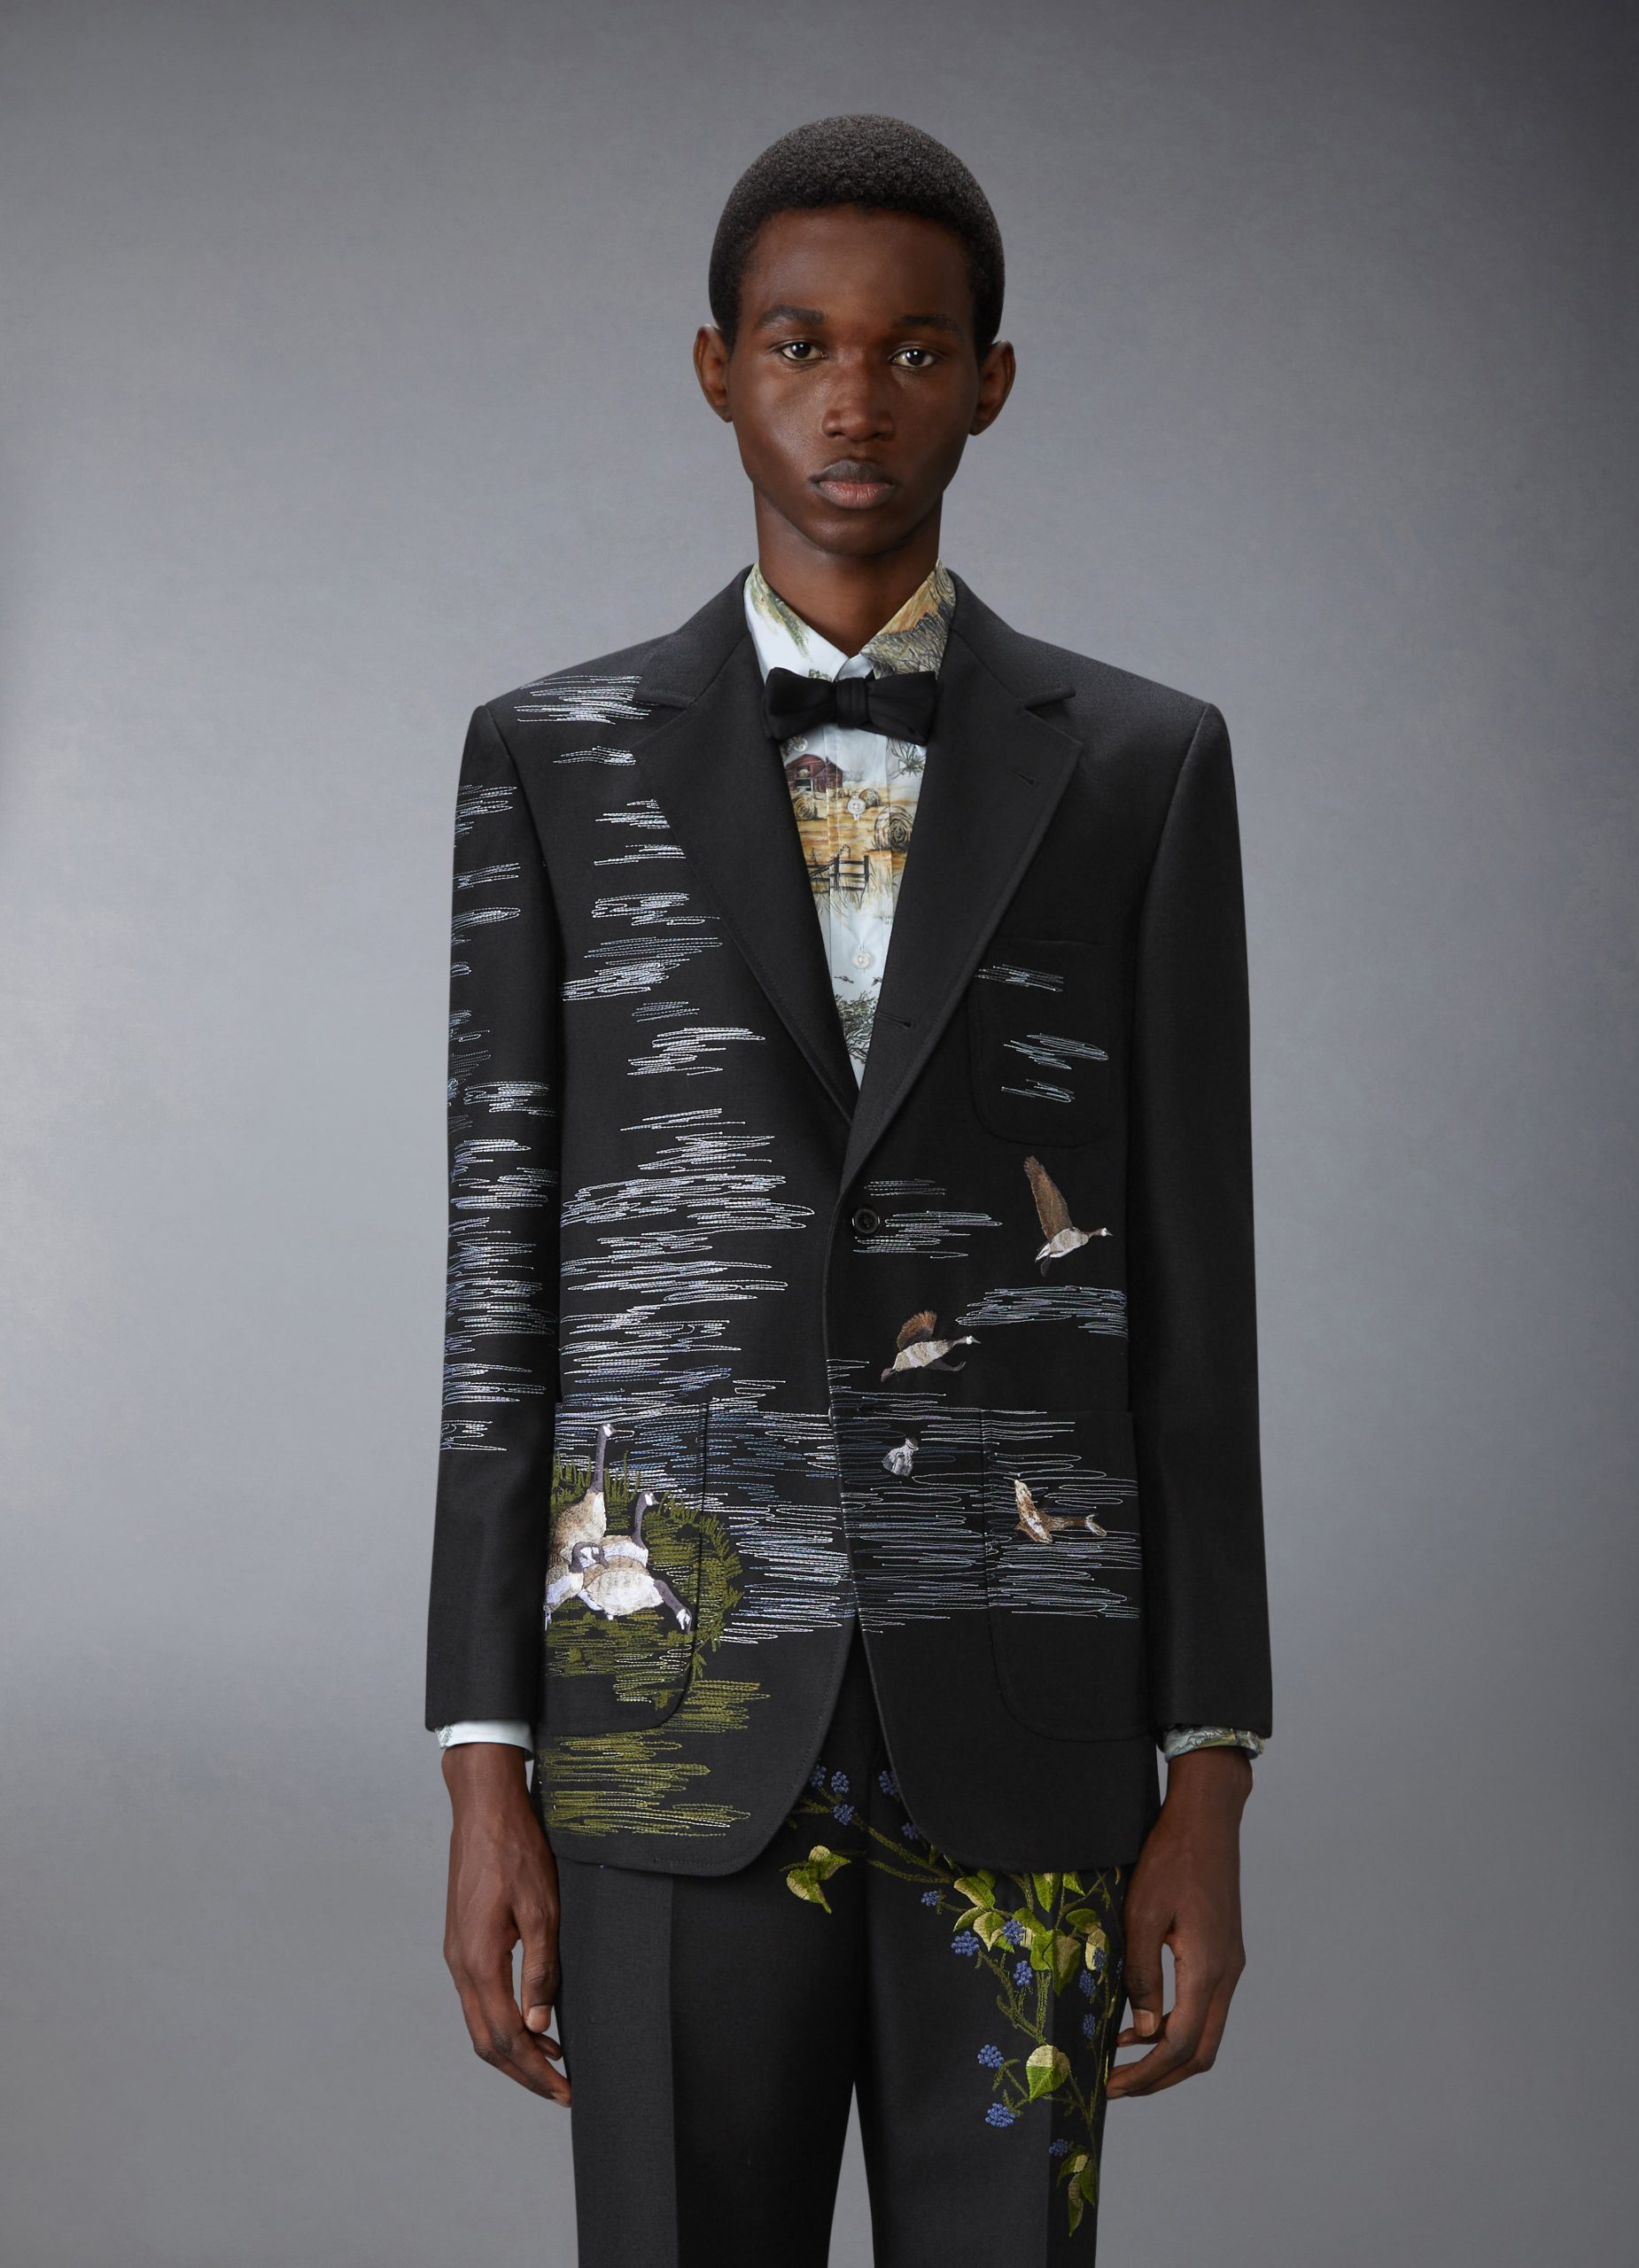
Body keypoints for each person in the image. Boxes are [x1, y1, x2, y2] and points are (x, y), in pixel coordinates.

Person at [424, 113, 1271, 2268]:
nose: (854, 398)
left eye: (914, 351)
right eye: (801, 344)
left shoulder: (1143, 767)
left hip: (1033, 1717)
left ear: (992, 381)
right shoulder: (551, 758)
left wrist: (1209, 1763)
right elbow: (499, 1286)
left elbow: (1195, 1305)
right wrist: (483, 1754)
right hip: (666, 1718)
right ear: (718, 368)